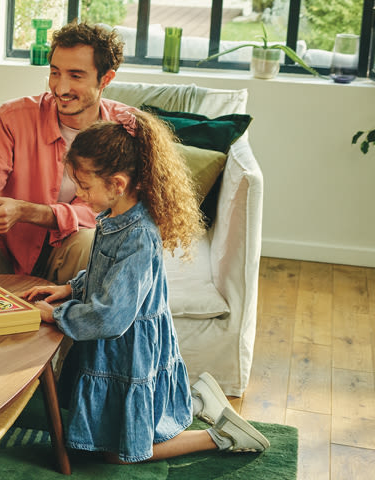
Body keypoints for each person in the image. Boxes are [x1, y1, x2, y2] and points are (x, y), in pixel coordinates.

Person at [21, 109, 270, 463]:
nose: (78, 194)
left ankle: (219, 436)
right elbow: (105, 276)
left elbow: (111, 317)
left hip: (127, 348)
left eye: (84, 186)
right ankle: (201, 401)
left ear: (118, 184)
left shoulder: (138, 236)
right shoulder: (115, 217)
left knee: (120, 454)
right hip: (118, 345)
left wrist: (57, 314)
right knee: (97, 432)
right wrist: (71, 289)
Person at [0, 22, 132, 285]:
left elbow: (109, 211)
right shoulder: (13, 117)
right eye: (55, 73)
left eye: (76, 76)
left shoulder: (126, 128)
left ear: (106, 79)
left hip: (72, 256)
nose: (61, 87)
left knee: (88, 239)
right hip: (9, 252)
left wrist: (28, 211)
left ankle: (67, 323)